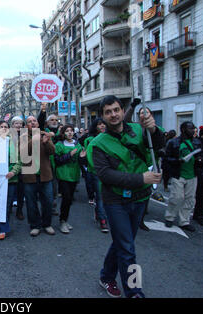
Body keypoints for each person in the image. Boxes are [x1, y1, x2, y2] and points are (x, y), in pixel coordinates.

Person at [87, 95, 165, 298]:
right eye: (108, 112)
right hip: (116, 201)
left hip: (140, 199)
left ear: (122, 110)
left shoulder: (139, 130)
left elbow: (158, 145)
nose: (113, 114)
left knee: (124, 243)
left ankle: (106, 276)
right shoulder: (97, 144)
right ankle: (134, 291)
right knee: (128, 248)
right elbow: (106, 175)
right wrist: (142, 178)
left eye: (116, 109)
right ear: (102, 117)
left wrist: (153, 129)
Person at [20, 115, 56, 236]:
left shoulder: (45, 134)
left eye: (34, 121)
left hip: (45, 175)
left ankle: (47, 224)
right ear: (26, 126)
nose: (33, 123)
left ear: (38, 123)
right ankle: (35, 225)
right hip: (30, 176)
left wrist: (46, 143)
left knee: (48, 201)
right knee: (31, 202)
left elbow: (52, 151)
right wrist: (35, 138)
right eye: (29, 122)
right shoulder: (23, 136)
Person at [164, 121, 202, 232]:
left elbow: (201, 155)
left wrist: (200, 160)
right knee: (176, 197)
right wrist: (177, 160)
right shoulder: (173, 142)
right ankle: (169, 217)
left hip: (192, 175)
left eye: (194, 128)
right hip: (178, 174)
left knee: (190, 199)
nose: (193, 130)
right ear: (184, 130)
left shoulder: (197, 142)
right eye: (191, 128)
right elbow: (166, 158)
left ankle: (184, 221)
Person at [54, 124, 86, 234]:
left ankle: (65, 219)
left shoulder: (77, 144)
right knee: (66, 198)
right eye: (67, 131)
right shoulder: (59, 145)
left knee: (69, 199)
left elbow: (82, 162)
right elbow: (57, 160)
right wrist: (69, 154)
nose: (70, 133)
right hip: (63, 175)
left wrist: (83, 157)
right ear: (63, 133)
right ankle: (62, 221)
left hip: (74, 175)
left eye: (71, 131)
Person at [0, 120, 22, 240]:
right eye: (1, 126)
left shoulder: (13, 143)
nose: (3, 128)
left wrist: (13, 172)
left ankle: (3, 228)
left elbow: (19, 161)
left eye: (5, 127)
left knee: (6, 205)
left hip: (10, 180)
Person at [83, 118, 109, 233]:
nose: (102, 126)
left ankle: (99, 213)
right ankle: (103, 220)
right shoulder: (90, 140)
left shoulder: (111, 138)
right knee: (100, 196)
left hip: (112, 173)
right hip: (97, 172)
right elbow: (89, 156)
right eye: (100, 124)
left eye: (104, 124)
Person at [10, 116, 25, 220]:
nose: (19, 125)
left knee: (21, 191)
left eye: (20, 123)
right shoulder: (7, 136)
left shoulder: (25, 136)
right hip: (10, 167)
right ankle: (9, 207)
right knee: (10, 190)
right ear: (12, 125)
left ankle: (19, 211)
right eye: (16, 123)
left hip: (23, 168)